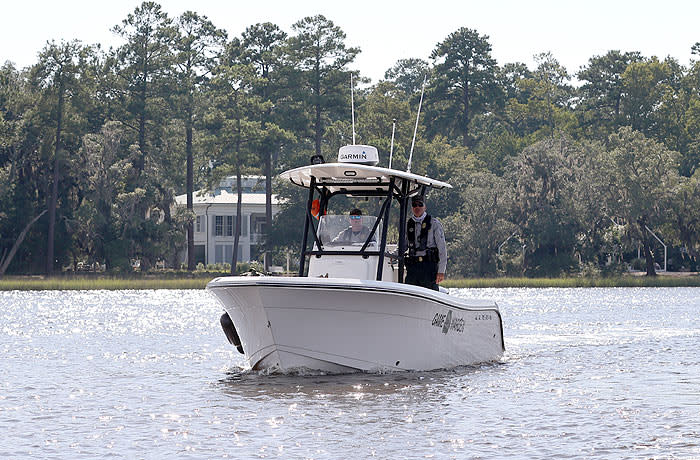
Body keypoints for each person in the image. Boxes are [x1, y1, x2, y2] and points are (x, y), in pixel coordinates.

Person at [404, 196, 447, 291]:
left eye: (420, 205)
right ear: (412, 208)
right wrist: (391, 255)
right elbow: (403, 246)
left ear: (425, 207)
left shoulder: (434, 223)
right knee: (410, 293)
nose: (417, 207)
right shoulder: (408, 224)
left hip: (429, 268)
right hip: (413, 268)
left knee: (431, 292)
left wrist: (441, 271)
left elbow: (442, 249)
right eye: (414, 205)